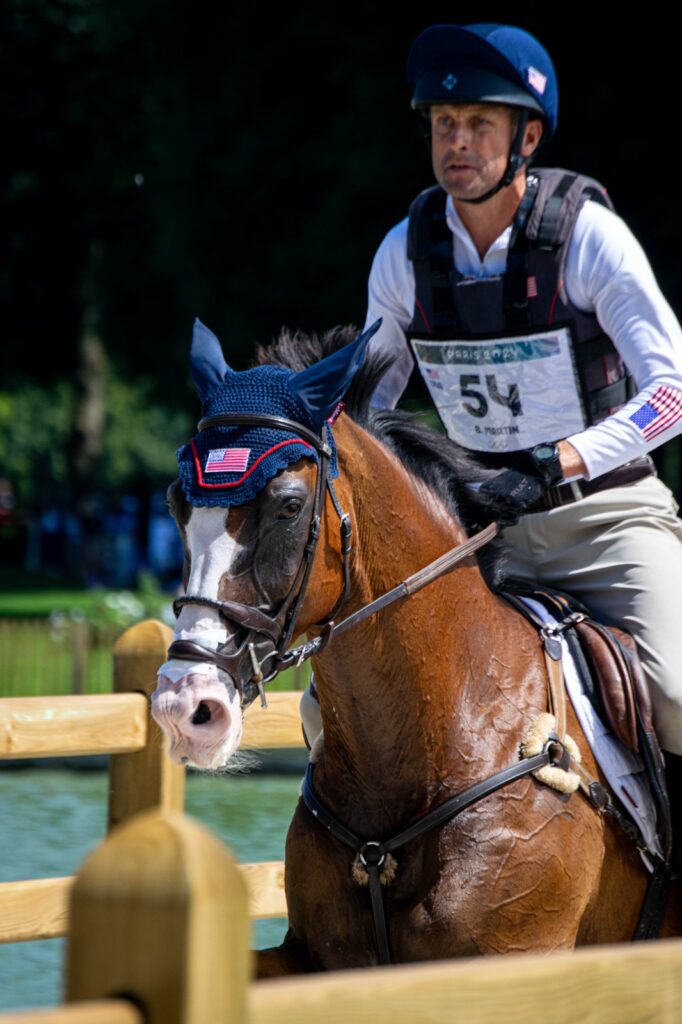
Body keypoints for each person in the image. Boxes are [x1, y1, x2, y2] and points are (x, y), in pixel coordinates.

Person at [362, 23, 682, 769]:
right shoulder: (402, 253)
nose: (457, 141)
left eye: (480, 123)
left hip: (604, 522)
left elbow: (673, 392)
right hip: (478, 537)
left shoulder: (590, 238)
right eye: (444, 122)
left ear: (528, 137)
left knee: (676, 697)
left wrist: (555, 463)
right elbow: (372, 409)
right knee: (333, 703)